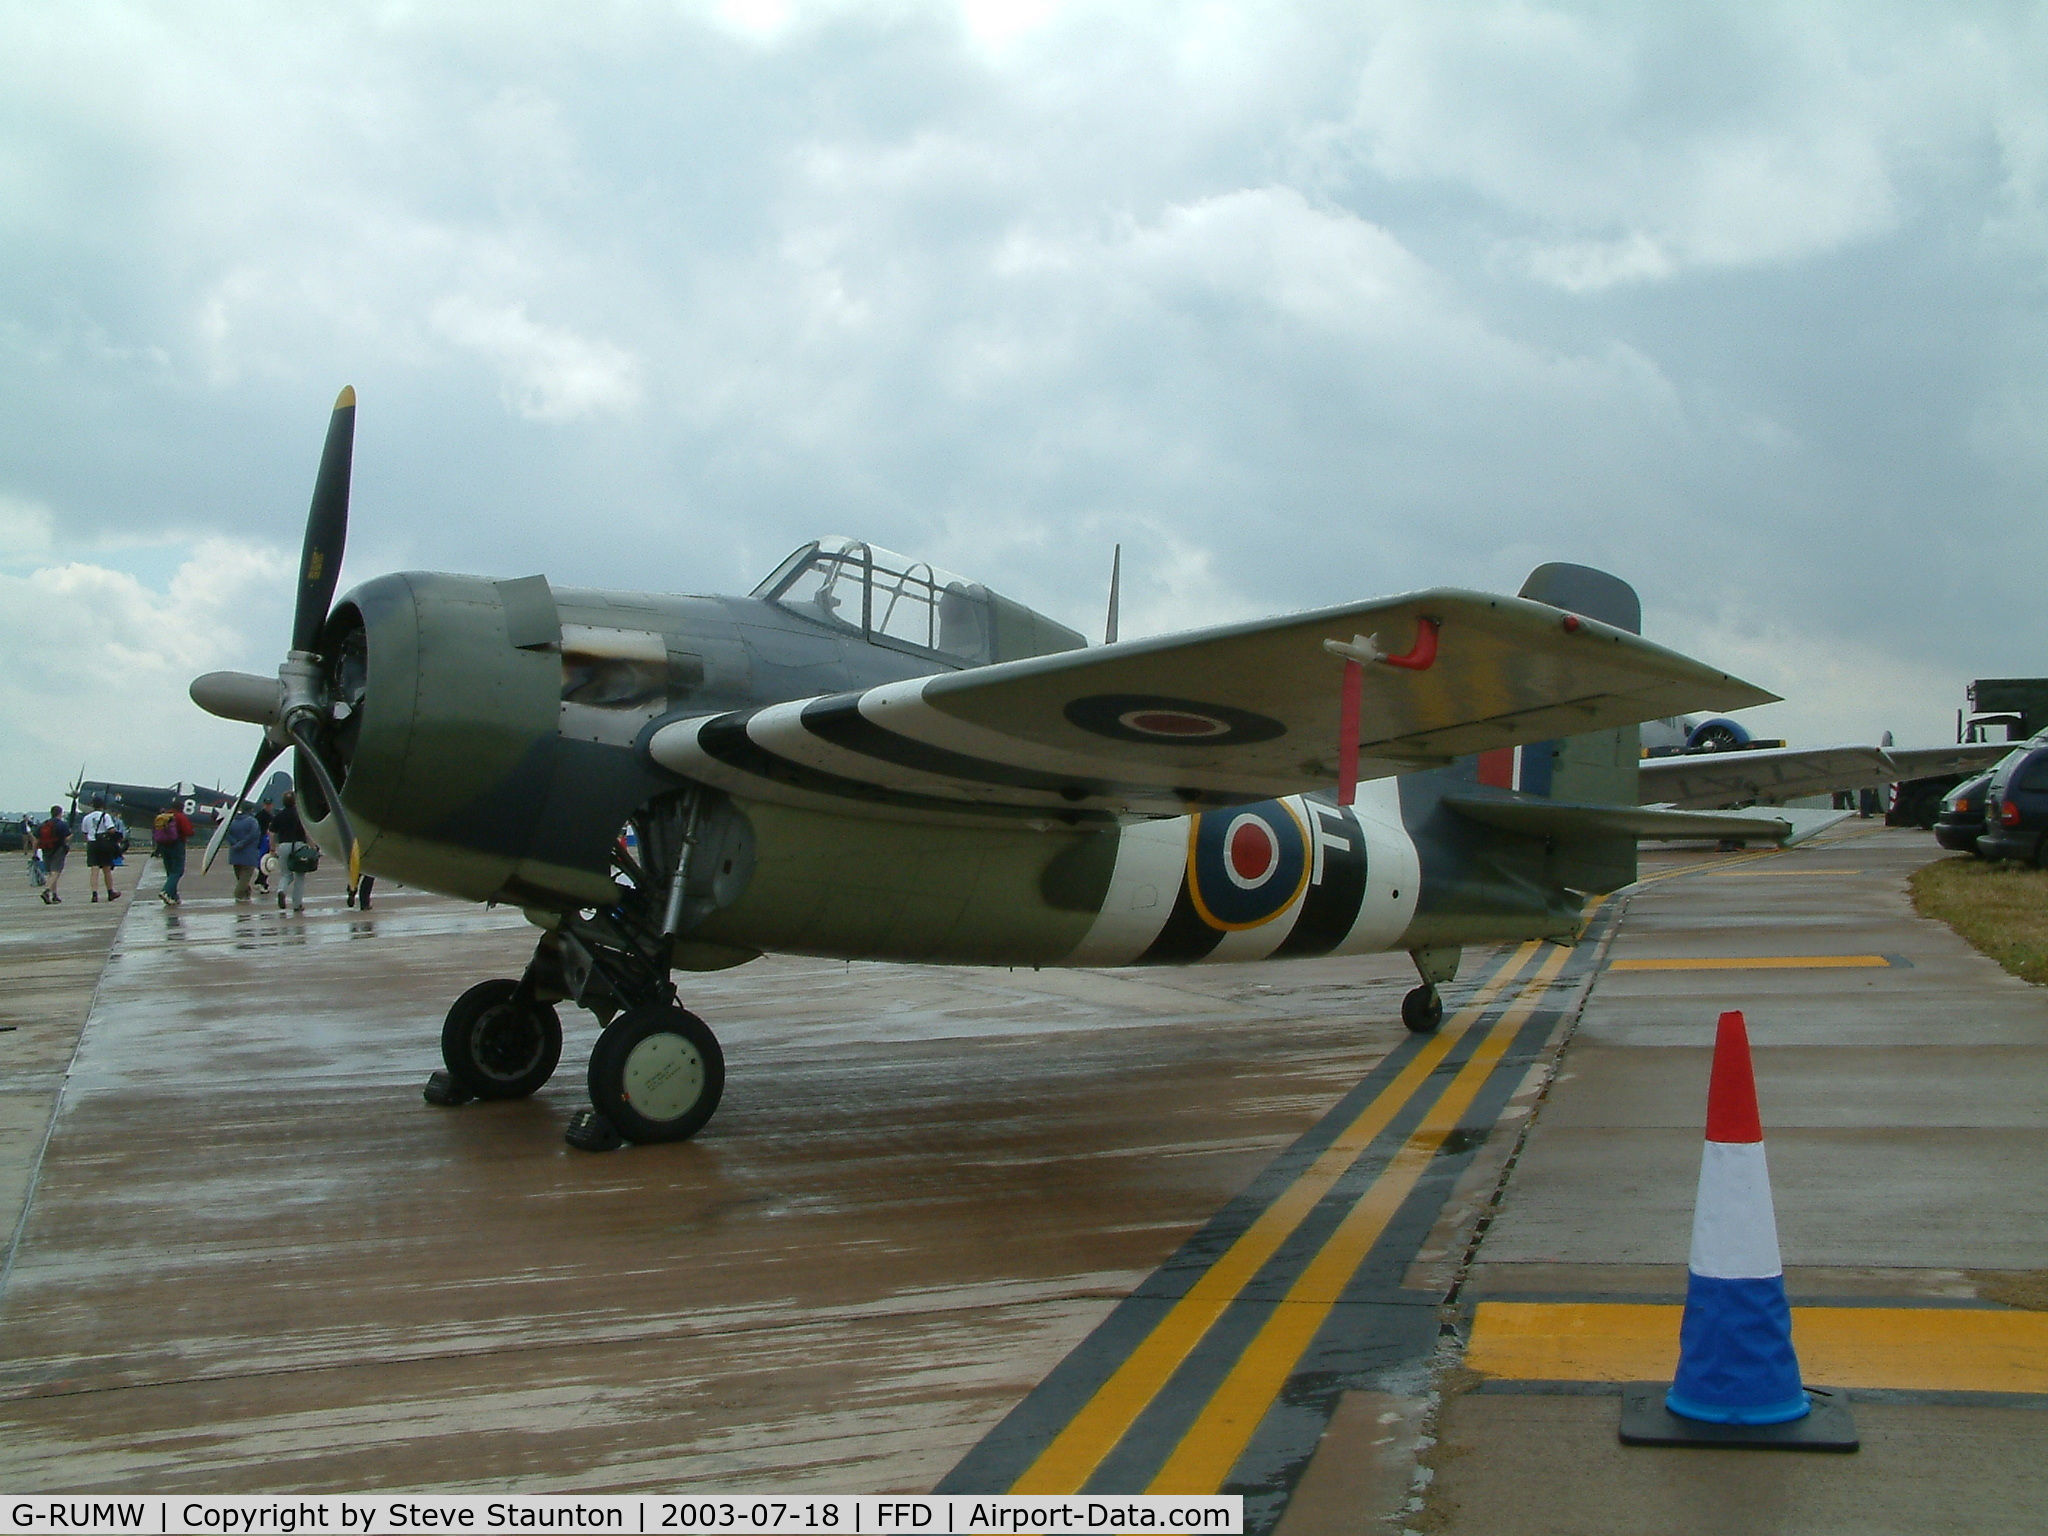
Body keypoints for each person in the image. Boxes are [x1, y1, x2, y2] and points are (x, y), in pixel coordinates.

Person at [78, 795, 124, 902]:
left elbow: (85, 833)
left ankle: (94, 893)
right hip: (104, 843)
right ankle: (110, 891)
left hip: (92, 844)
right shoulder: (105, 816)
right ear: (102, 805)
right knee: (107, 869)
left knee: (94, 870)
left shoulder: (87, 818)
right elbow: (111, 830)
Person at [272, 791, 310, 913]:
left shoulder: (279, 815)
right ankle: (297, 904)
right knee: (299, 876)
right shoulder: (301, 815)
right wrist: (313, 847)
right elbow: (307, 831)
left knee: (285, 874)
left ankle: (281, 891)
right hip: (299, 845)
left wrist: (272, 848)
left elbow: (271, 833)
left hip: (283, 846)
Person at [151, 802, 195, 905]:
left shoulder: (162, 817)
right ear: (182, 808)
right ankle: (166, 891)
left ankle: (173, 896)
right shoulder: (180, 817)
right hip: (177, 845)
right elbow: (188, 831)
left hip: (163, 845)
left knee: (170, 871)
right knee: (178, 871)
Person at [226, 805, 263, 902]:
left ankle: (247, 894)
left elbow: (226, 833)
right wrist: (242, 843)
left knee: (239, 877)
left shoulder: (232, 822)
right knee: (245, 878)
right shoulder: (252, 821)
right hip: (249, 854)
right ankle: (238, 895)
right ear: (250, 810)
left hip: (235, 854)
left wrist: (235, 843)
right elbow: (254, 834)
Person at [36, 806, 69, 904]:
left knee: (51, 873)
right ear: (60, 813)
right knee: (56, 872)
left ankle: (55, 895)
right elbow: (67, 837)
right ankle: (47, 891)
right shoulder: (62, 824)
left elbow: (36, 839)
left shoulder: (43, 825)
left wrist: (34, 853)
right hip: (58, 849)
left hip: (46, 849)